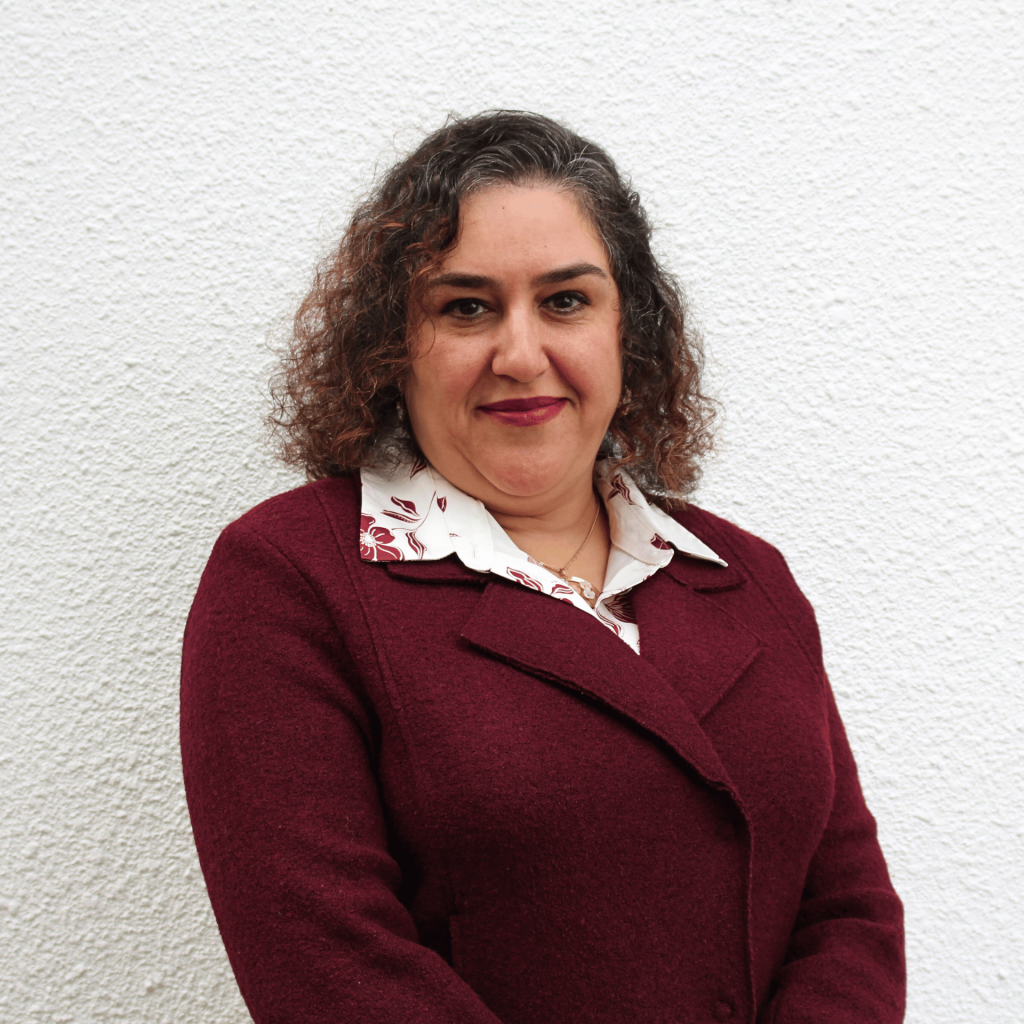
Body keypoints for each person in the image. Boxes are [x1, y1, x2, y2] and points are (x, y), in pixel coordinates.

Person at [180, 110, 905, 1024]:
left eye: (565, 301)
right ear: (392, 346)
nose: (521, 356)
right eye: (466, 307)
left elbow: (848, 910)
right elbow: (325, 961)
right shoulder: (290, 578)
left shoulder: (745, 574)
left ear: (628, 332)